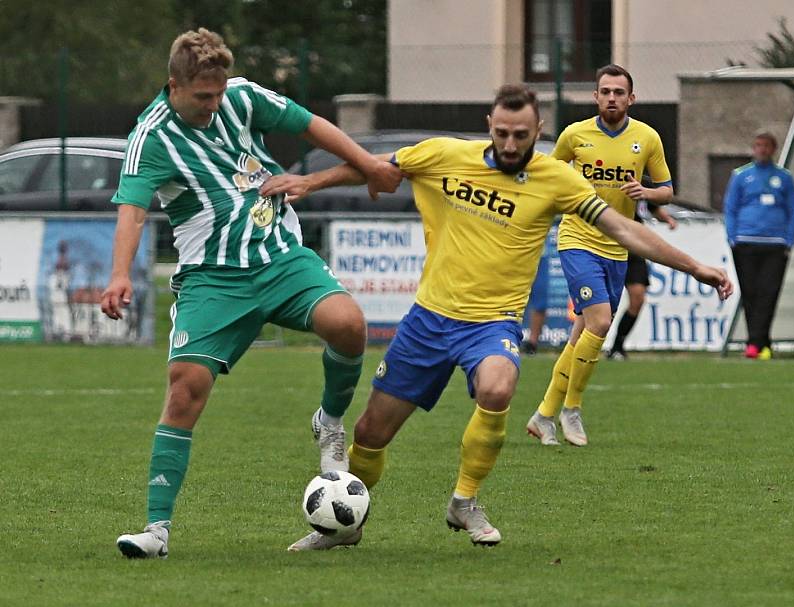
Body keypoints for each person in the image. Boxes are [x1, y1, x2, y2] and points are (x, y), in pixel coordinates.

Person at [260, 83, 732, 550]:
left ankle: (464, 501)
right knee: (370, 433)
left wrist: (696, 267)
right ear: (489, 125)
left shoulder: (557, 179)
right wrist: (309, 181)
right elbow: (373, 167)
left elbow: (625, 228)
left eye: (521, 135)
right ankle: (346, 526)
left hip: (493, 324)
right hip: (429, 319)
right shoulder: (444, 155)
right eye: (502, 133)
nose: (510, 144)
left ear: (538, 130)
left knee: (498, 386)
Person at [99, 28, 401, 559]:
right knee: (184, 389)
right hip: (213, 278)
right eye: (202, 97)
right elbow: (132, 208)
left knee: (349, 324)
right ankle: (157, 530)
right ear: (174, 85)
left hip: (279, 257)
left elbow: (312, 126)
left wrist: (369, 163)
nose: (214, 105)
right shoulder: (150, 137)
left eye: (218, 94)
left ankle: (329, 422)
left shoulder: (241, 96)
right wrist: (121, 274)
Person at [526, 64, 674, 447]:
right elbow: (548, 176)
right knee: (600, 321)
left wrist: (647, 192)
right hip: (577, 238)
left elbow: (667, 190)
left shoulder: (648, 137)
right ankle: (571, 409)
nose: (611, 98)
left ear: (631, 98)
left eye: (618, 92)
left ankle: (544, 415)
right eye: (605, 91)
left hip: (618, 245)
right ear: (595, 97)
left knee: (582, 335)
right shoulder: (575, 135)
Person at [724, 131, 794, 360]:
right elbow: (730, 207)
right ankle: (759, 343)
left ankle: (755, 343)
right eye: (758, 145)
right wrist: (732, 237)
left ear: (773, 149)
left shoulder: (784, 177)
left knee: (769, 293)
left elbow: (793, 210)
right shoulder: (740, 175)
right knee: (750, 293)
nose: (762, 150)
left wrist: (788, 239)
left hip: (775, 245)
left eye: (766, 146)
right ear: (753, 148)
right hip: (746, 242)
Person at [606, 202, 677, 360]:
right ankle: (582, 346)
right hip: (606, 244)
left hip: (633, 247)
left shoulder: (639, 181)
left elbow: (653, 204)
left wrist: (668, 219)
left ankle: (617, 346)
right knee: (602, 303)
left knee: (637, 298)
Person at [520, 255, 549, 355]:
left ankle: (532, 345)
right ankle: (503, 339)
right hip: (512, 254)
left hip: (539, 255)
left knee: (540, 302)